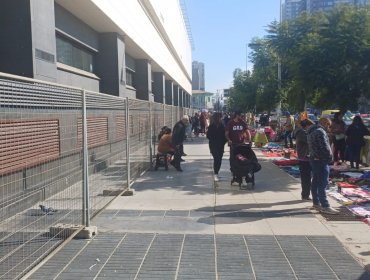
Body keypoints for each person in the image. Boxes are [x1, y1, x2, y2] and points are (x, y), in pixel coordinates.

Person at [307, 117, 338, 214]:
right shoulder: (320, 132)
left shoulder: (311, 131)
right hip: (321, 159)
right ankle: (325, 206)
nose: (329, 127)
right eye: (328, 125)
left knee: (316, 181)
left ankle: (316, 203)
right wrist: (329, 157)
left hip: (314, 158)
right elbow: (324, 146)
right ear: (324, 123)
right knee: (322, 183)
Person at [293, 119, 315, 200]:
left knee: (307, 178)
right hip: (305, 158)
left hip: (305, 157)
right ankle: (305, 195)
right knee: (306, 178)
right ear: (307, 126)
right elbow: (309, 141)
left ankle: (306, 195)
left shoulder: (302, 132)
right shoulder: (302, 133)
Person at [206, 112, 227, 182]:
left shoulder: (222, 125)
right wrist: (213, 140)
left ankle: (217, 171)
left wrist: (223, 142)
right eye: (218, 117)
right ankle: (216, 173)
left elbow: (225, 136)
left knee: (219, 159)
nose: (219, 119)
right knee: (216, 158)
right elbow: (208, 136)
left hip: (220, 145)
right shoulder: (211, 126)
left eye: (220, 117)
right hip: (213, 145)